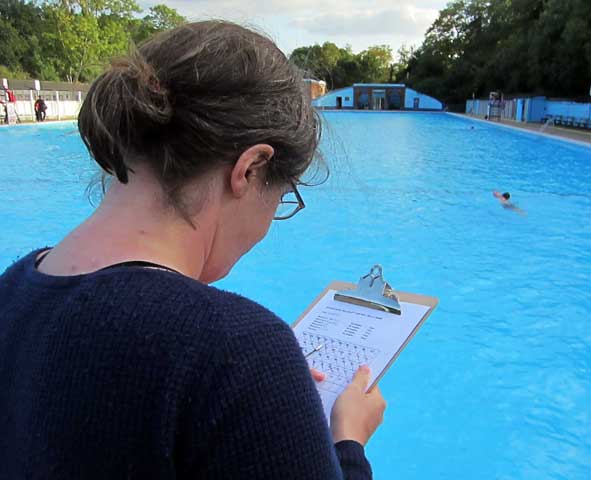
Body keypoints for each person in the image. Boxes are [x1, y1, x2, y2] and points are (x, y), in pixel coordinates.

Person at [0, 21, 386, 479]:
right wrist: (346, 445)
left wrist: (270, 400)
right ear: (251, 168)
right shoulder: (237, 352)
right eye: (282, 199)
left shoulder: (14, 290)